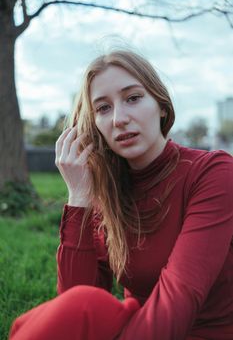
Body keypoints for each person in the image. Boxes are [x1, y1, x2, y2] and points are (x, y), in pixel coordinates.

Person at [9, 50, 233, 340]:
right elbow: (75, 299)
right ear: (92, 128)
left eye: (133, 98)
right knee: (77, 307)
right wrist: (79, 197)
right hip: (138, 327)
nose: (119, 119)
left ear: (161, 106)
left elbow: (181, 295)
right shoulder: (108, 192)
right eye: (103, 108)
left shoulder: (213, 173)